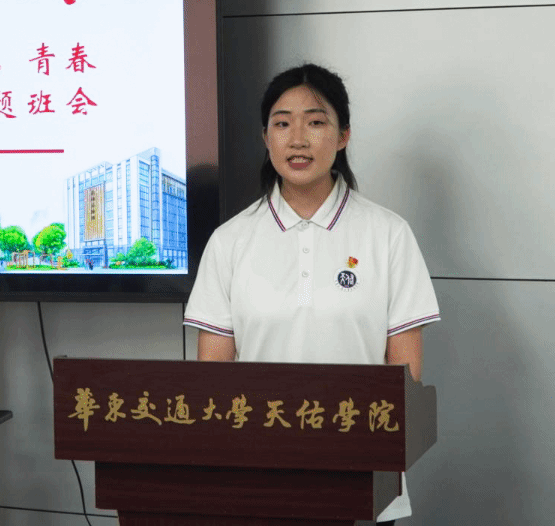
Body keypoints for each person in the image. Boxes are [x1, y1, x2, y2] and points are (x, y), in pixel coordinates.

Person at [183, 63, 440, 525]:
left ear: (343, 136)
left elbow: (405, 377)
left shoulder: (387, 234)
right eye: (282, 123)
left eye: (316, 122)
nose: (297, 139)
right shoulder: (230, 241)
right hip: (258, 476)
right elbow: (213, 380)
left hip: (362, 475)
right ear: (266, 137)